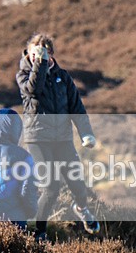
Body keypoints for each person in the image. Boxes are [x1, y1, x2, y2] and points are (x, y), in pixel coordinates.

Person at [16, 33, 100, 237]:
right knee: (51, 187)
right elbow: (33, 90)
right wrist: (40, 65)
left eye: (43, 53)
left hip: (62, 138)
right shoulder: (24, 74)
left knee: (78, 185)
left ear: (51, 53)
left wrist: (86, 133)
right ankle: (39, 231)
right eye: (34, 52)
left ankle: (81, 209)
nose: (37, 56)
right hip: (37, 138)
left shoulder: (63, 76)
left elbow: (76, 107)